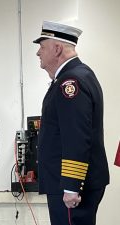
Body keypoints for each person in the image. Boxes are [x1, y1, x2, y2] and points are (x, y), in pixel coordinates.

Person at [33, 21, 109, 225]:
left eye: (42, 46)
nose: (38, 53)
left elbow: (76, 136)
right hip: (70, 183)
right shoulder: (78, 75)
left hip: (70, 187)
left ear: (57, 49)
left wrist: (71, 185)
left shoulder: (71, 82)